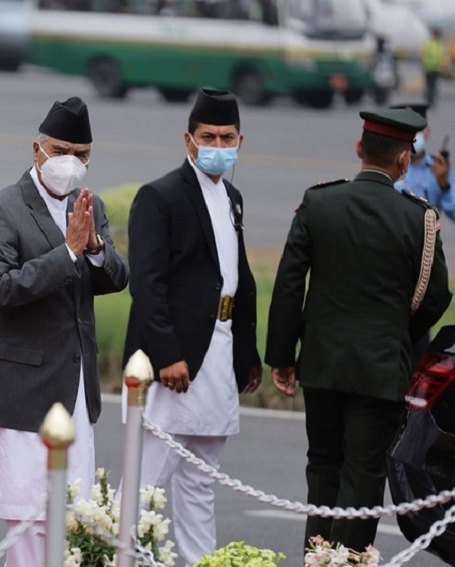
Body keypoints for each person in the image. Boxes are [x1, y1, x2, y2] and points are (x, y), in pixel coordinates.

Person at [265, 108, 451, 552]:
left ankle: (318, 557)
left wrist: (283, 357)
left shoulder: (319, 202)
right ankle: (348, 563)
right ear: (405, 160)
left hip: (323, 363)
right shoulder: (418, 217)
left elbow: (290, 284)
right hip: (381, 367)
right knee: (363, 474)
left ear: (358, 150)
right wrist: (397, 331)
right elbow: (437, 295)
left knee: (323, 466)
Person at [0, 96, 129, 566]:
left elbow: (116, 278)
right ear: (36, 150)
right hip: (23, 385)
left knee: (72, 511)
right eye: (60, 150)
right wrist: (68, 253)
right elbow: (0, 288)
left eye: (81, 154)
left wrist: (94, 248)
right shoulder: (1, 208)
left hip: (74, 381)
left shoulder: (88, 206)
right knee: (30, 514)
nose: (69, 163)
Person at [121, 88, 262, 566]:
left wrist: (247, 352)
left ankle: (202, 562)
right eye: (208, 136)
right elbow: (148, 284)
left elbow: (236, 280)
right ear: (188, 138)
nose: (217, 144)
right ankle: (117, 557)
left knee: (202, 480)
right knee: (147, 481)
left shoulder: (232, 198)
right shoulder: (160, 197)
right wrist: (166, 355)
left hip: (218, 352)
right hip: (175, 358)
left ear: (240, 140)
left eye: (226, 137)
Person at [392, 103, 455, 221]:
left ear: (427, 132)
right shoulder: (385, 164)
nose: (413, 136)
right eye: (406, 130)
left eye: (417, 130)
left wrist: (444, 186)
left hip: (426, 237)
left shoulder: (438, 169)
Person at [421, 27, 448, 109]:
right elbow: (442, 56)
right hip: (432, 68)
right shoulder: (438, 44)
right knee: (431, 86)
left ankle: (429, 101)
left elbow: (423, 54)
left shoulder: (429, 43)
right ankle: (430, 101)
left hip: (431, 68)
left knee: (431, 86)